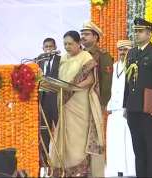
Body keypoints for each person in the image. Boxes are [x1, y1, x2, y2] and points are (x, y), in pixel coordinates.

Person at [50, 31, 104, 177]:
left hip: (80, 102)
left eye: (70, 44)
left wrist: (74, 87)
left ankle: (81, 170)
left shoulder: (86, 56)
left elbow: (91, 80)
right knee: (65, 137)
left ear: (78, 43)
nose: (67, 47)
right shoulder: (63, 58)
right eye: (65, 44)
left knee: (78, 139)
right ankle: (65, 169)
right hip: (65, 102)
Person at [123, 18, 152, 177]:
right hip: (133, 107)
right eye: (135, 31)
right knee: (137, 146)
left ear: (149, 34)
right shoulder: (132, 52)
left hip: (149, 108)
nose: (136, 34)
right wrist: (125, 105)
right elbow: (127, 82)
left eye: (140, 31)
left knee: (150, 144)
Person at [106, 40, 135, 176]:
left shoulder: (135, 66)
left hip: (128, 109)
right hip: (114, 109)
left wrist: (129, 106)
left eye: (125, 49)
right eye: (120, 50)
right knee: (115, 140)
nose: (122, 52)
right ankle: (117, 170)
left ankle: (130, 170)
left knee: (128, 140)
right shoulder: (114, 66)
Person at [37, 38, 60, 168]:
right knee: (44, 132)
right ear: (42, 48)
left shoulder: (60, 60)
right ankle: (45, 161)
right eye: (46, 47)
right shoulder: (38, 61)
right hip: (43, 101)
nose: (48, 49)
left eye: (51, 46)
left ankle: (60, 159)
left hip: (56, 99)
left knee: (59, 130)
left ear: (55, 47)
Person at [80, 21, 113, 109]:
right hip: (78, 99)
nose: (83, 37)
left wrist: (103, 102)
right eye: (82, 34)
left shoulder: (103, 55)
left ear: (95, 37)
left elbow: (107, 82)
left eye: (86, 34)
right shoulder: (78, 54)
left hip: (94, 99)